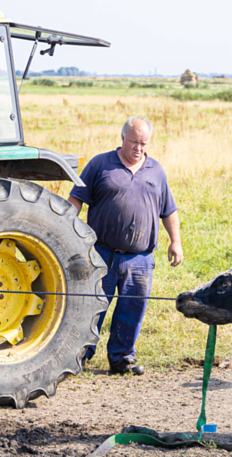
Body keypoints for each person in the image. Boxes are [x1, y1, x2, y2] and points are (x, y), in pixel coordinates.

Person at [68, 116, 183, 376]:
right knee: (92, 306)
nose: (138, 148)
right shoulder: (100, 164)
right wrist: (62, 229)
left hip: (140, 258)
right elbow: (76, 199)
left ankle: (122, 359)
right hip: (101, 254)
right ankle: (78, 357)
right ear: (122, 139)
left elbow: (169, 210)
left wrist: (175, 241)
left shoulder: (156, 170)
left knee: (132, 310)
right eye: (134, 142)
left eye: (143, 143)